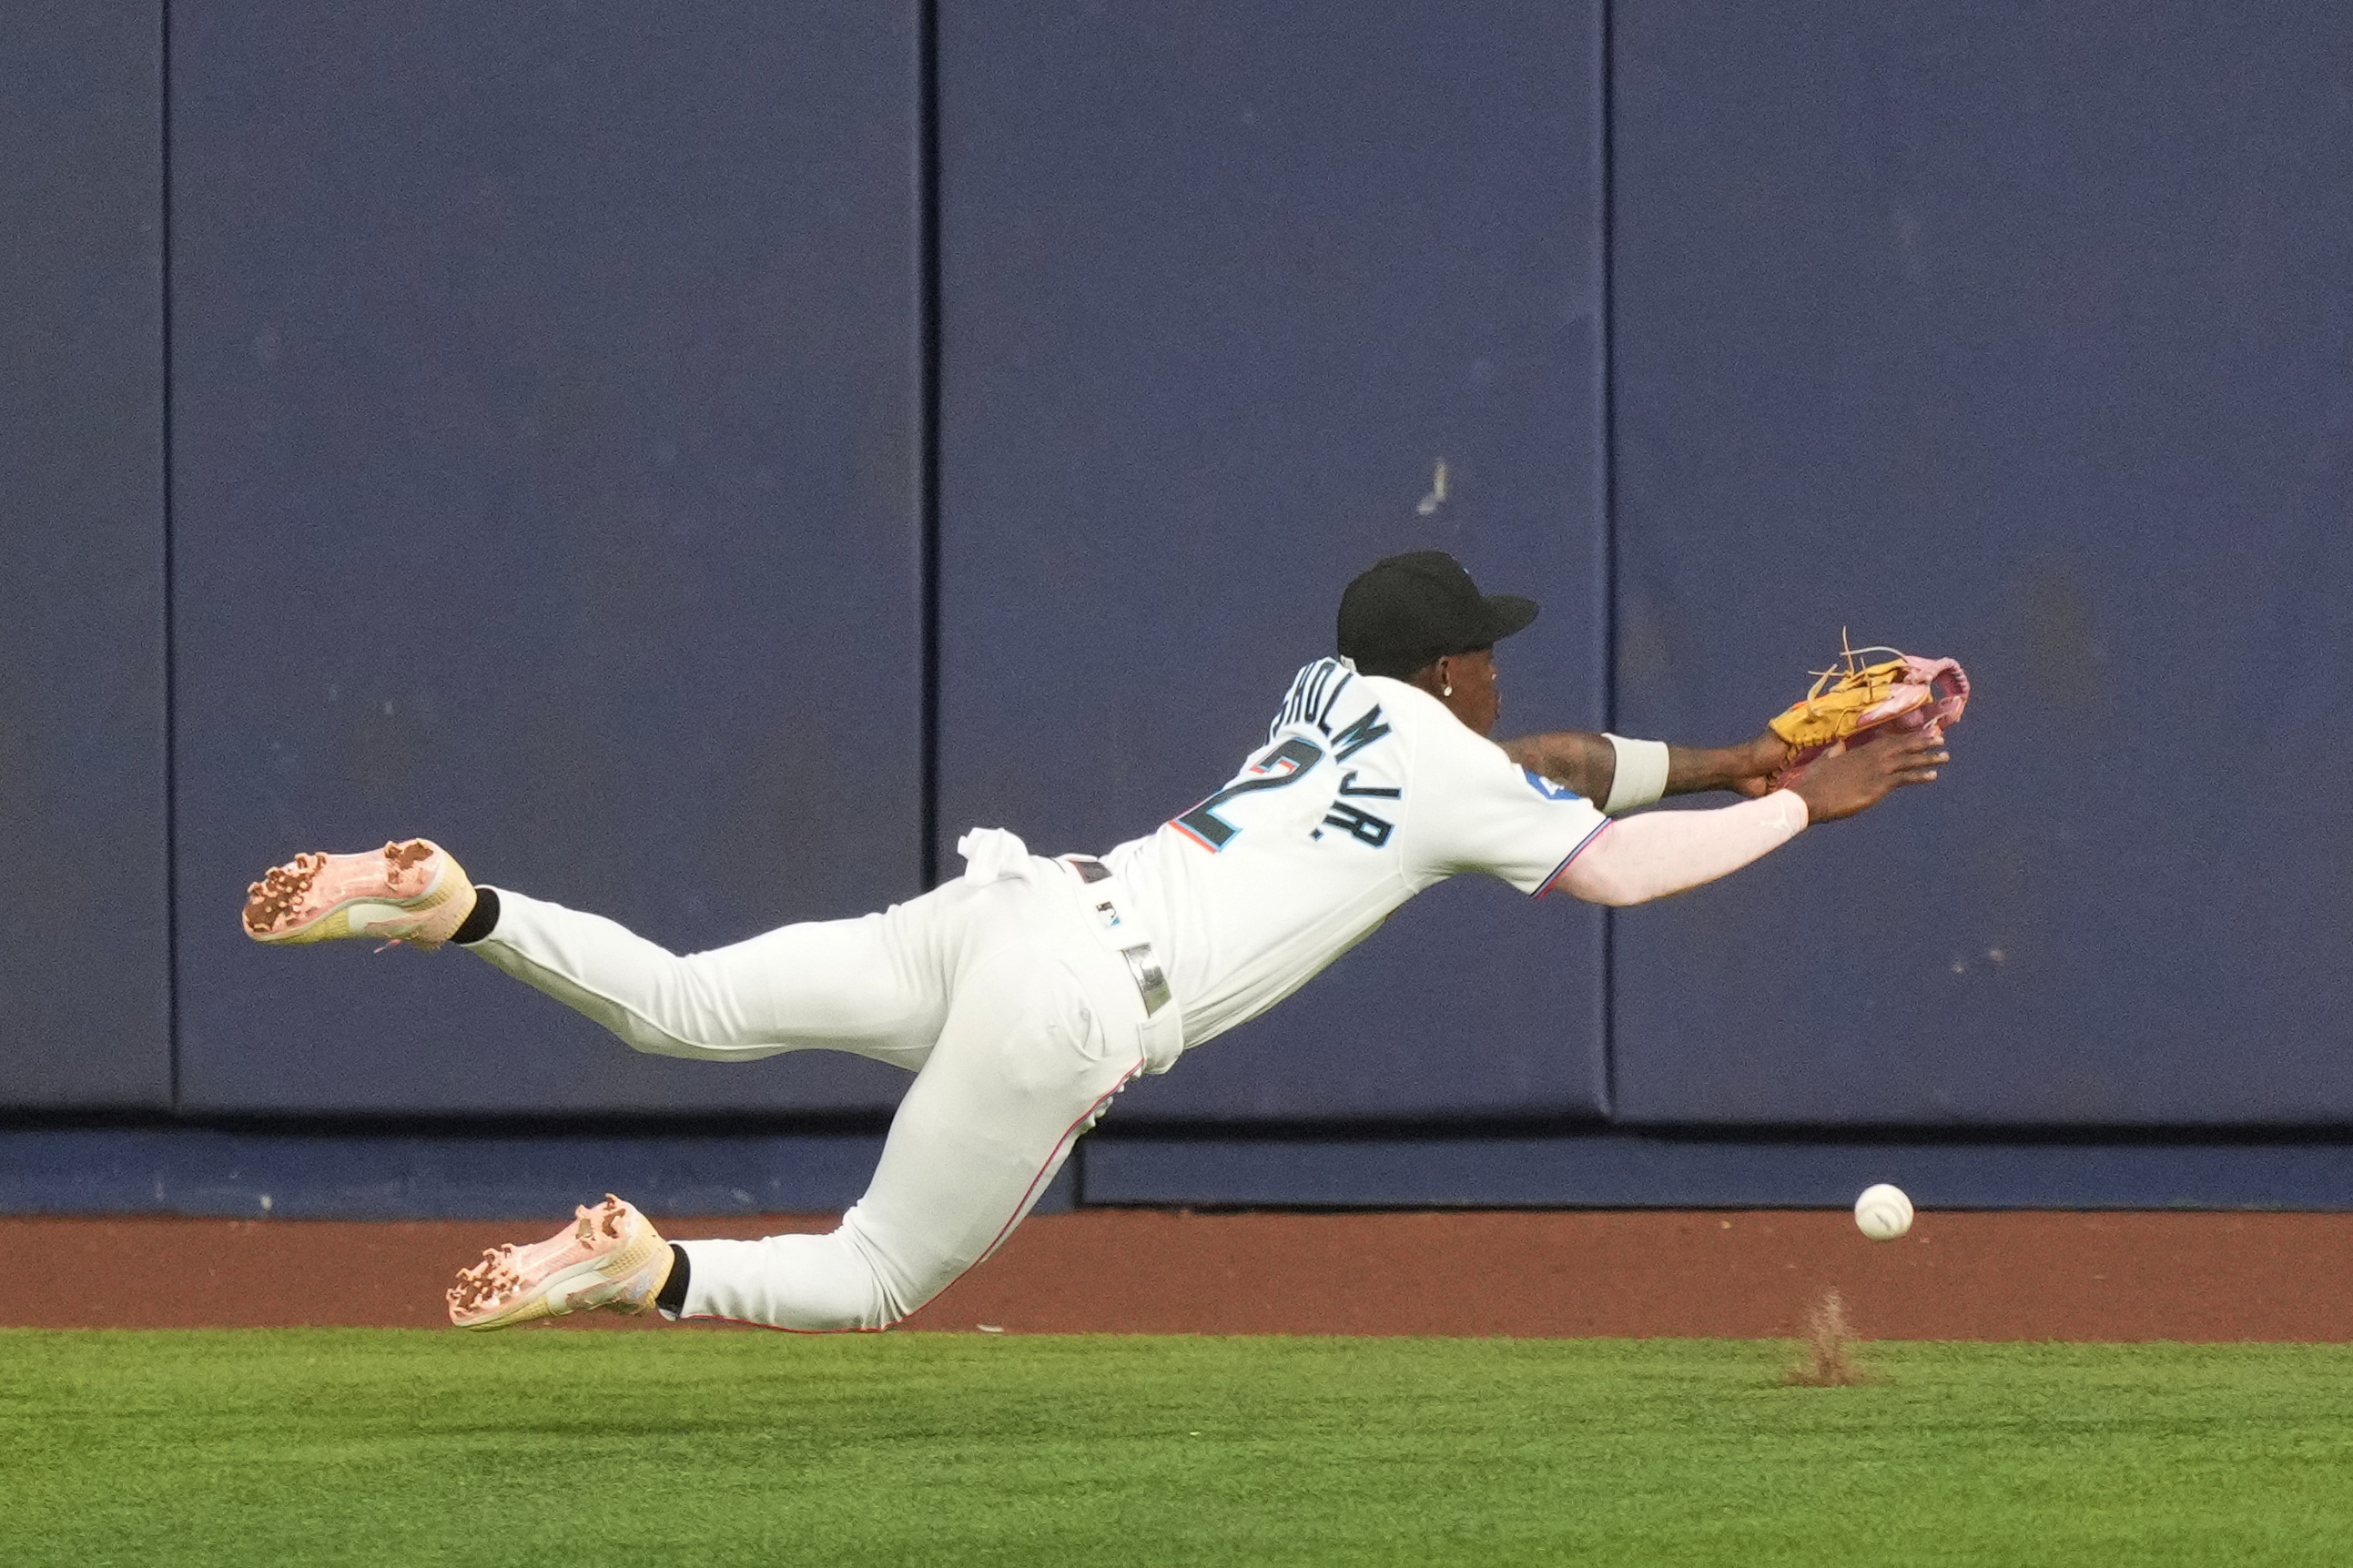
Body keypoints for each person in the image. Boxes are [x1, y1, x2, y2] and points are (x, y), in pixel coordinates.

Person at [243, 551, 1948, 1331]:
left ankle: (455, 900)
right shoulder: (1446, 759)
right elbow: (1613, 869)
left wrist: (1729, 756)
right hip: (1079, 1000)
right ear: (1448, 677)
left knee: (682, 1005)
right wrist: (1808, 805)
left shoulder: (1336, 698)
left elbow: (1544, 764)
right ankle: (644, 1268)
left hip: (1014, 904)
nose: (1500, 674)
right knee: (875, 1274)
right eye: (1485, 654)